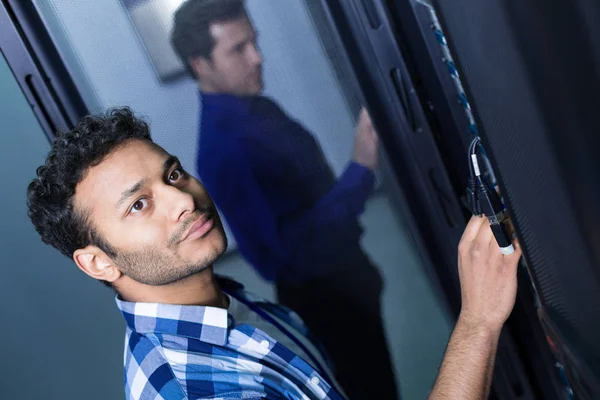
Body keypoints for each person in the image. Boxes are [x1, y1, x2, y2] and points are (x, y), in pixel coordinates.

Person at [27, 108, 522, 400]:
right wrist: (478, 320)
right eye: (139, 204)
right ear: (98, 262)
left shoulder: (230, 305)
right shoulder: (194, 390)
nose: (183, 199)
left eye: (173, 174)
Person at [169, 2, 395, 397]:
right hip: (327, 300)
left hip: (344, 279)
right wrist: (361, 168)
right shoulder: (229, 148)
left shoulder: (254, 107)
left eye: (254, 42)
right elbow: (297, 249)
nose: (257, 58)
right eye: (238, 50)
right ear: (200, 64)